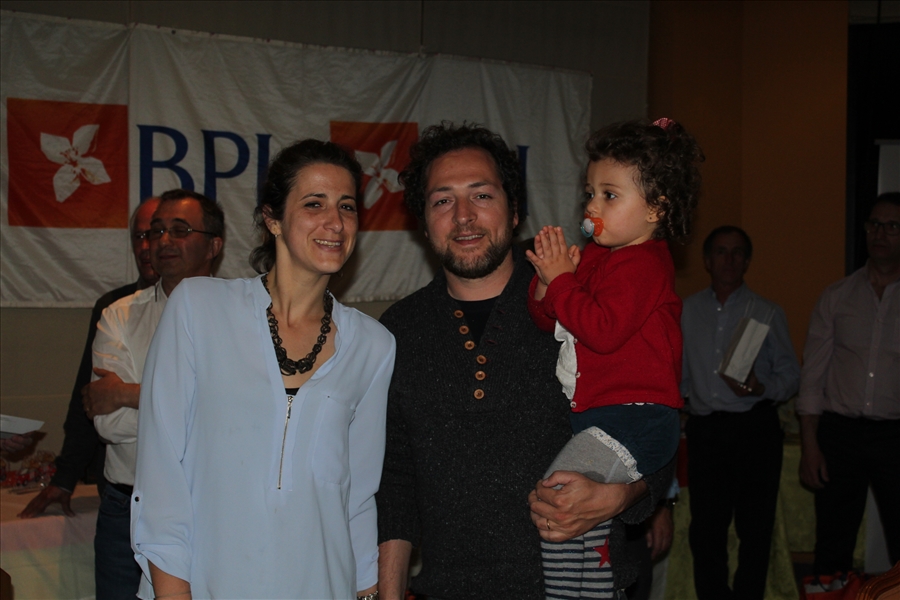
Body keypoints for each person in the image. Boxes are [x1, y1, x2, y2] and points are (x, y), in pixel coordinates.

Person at [376, 122, 676, 600]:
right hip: (447, 589)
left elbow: (650, 420)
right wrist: (389, 593)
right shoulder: (399, 329)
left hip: (579, 588)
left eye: (482, 195)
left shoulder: (582, 299)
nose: (463, 217)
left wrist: (621, 496)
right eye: (442, 201)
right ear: (423, 222)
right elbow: (395, 478)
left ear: (514, 210)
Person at [131, 140, 394, 600]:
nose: (335, 222)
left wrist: (368, 592)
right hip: (209, 585)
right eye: (314, 204)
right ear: (272, 219)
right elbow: (161, 476)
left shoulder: (374, 345)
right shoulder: (198, 308)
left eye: (347, 206)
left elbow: (357, 498)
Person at [526, 117, 701, 598]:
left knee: (555, 502)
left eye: (609, 195)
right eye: (590, 193)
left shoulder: (644, 264)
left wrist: (564, 282)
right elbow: (550, 321)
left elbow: (602, 331)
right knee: (580, 520)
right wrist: (547, 283)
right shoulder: (600, 257)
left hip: (635, 419)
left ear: (656, 208)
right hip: (606, 418)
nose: (592, 207)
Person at [91, 189, 224, 599]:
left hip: (212, 508)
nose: (163, 241)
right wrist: (199, 402)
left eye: (180, 230)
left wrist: (127, 394)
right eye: (156, 231)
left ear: (214, 246)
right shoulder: (119, 314)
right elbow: (109, 424)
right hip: (126, 507)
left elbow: (229, 415)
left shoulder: (242, 316)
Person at [18, 198, 160, 519]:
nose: (147, 246)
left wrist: (125, 395)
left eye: (155, 234)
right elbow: (91, 403)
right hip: (122, 489)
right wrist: (65, 477)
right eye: (139, 236)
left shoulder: (214, 307)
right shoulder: (115, 308)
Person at [681, 225, 800, 600]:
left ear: (747, 261)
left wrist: (761, 388)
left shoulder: (766, 312)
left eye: (737, 252)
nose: (729, 259)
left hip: (755, 430)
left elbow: (791, 376)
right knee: (706, 530)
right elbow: (678, 372)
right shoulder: (687, 311)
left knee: (756, 529)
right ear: (707, 260)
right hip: (705, 431)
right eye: (721, 251)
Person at [797, 192, 900, 574]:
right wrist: (810, 445)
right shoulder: (837, 296)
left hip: (895, 436)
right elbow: (812, 377)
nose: (880, 234)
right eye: (875, 225)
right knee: (832, 544)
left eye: (892, 226)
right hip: (840, 434)